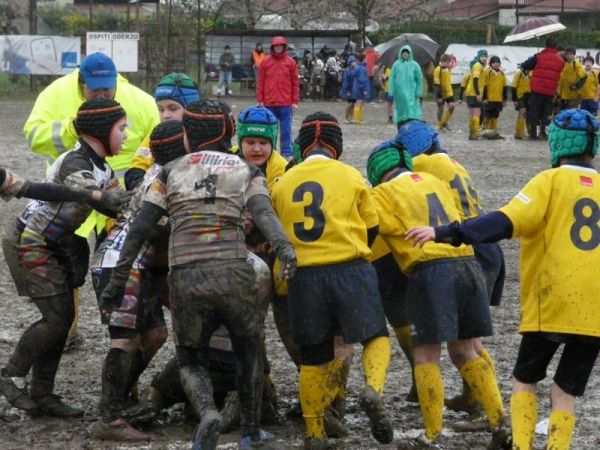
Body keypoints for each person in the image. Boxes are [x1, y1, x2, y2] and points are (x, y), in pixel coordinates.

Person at [99, 99, 296, 450]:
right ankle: (250, 430)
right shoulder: (244, 169)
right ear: (228, 132)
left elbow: (140, 228)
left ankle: (207, 412)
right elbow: (264, 213)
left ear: (187, 135)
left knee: (191, 356)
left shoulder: (169, 171)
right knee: (249, 349)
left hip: (187, 276)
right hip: (235, 273)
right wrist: (284, 249)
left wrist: (118, 279)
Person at [406, 108, 600, 450]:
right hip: (595, 310)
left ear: (557, 143)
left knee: (525, 380)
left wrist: (445, 232)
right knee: (565, 390)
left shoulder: (550, 182)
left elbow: (502, 223)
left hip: (553, 301)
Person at [366, 140, 510, 450]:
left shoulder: (381, 194)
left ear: (375, 173)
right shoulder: (435, 181)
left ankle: (432, 435)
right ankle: (500, 422)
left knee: (426, 355)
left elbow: (374, 235)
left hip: (430, 273)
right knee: (465, 351)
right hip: (469, 264)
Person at [271, 112, 393, 449]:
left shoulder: (284, 181)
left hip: (304, 274)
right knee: (375, 336)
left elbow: (275, 231)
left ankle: (314, 434)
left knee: (313, 358)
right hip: (349, 267)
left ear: (303, 145)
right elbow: (372, 226)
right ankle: (373, 389)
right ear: (336, 146)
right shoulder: (352, 176)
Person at [0, 99, 129, 417]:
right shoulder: (75, 162)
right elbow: (94, 196)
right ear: (101, 131)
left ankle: (43, 394)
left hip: (52, 242)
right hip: (30, 240)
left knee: (63, 317)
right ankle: (9, 376)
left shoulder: (104, 167)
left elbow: (116, 203)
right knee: (57, 317)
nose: (127, 135)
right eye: (122, 129)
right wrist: (108, 199)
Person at [22, 52, 159, 346]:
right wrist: (73, 129)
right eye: (93, 89)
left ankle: (122, 336)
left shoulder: (142, 102)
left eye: (107, 89)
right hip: (71, 202)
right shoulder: (55, 94)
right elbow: (32, 135)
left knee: (119, 265)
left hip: (119, 204)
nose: (100, 94)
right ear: (80, 82)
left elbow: (156, 149)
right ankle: (66, 333)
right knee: (69, 266)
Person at [396, 119, 507, 427]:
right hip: (484, 243)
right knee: (470, 339)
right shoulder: (451, 161)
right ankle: (476, 399)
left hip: (461, 243)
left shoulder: (420, 164)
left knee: (465, 343)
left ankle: (484, 407)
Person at [91, 120, 188, 441]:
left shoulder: (160, 173)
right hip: (121, 264)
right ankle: (109, 417)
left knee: (157, 334)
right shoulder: (169, 178)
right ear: (183, 147)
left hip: (135, 265)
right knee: (125, 340)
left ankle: (115, 399)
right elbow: (153, 233)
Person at [125, 72, 200, 190]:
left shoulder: (204, 136)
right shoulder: (156, 137)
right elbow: (135, 172)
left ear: (191, 108)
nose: (165, 115)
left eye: (173, 108)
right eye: (160, 109)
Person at [257, 36, 299, 158]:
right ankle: (271, 151)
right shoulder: (265, 62)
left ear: (284, 47)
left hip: (286, 103)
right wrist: (260, 100)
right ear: (273, 47)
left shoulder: (291, 62)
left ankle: (286, 152)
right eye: (276, 46)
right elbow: (261, 82)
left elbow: (295, 83)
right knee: (270, 130)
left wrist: (295, 101)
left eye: (280, 45)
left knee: (286, 130)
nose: (278, 48)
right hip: (269, 103)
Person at [521, 38, 564, 140]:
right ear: (555, 47)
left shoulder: (539, 56)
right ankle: (546, 134)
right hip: (550, 92)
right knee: (547, 114)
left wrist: (535, 58)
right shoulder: (561, 61)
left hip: (537, 90)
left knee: (534, 113)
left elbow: (526, 65)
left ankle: (534, 135)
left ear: (545, 45)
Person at [389, 45, 423, 128]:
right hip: (399, 92)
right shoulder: (396, 65)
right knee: (401, 110)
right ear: (400, 53)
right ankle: (400, 128)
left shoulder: (415, 65)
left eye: (407, 53)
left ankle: (410, 128)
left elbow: (419, 79)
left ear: (409, 54)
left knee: (411, 110)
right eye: (403, 52)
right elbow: (392, 78)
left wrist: (418, 91)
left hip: (412, 92)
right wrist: (391, 91)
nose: (405, 54)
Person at [481, 55, 508, 139]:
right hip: (489, 99)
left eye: (498, 62)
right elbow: (484, 86)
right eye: (494, 62)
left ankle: (493, 132)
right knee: (487, 115)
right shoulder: (487, 72)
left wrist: (504, 99)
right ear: (491, 63)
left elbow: (504, 88)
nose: (496, 64)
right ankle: (484, 131)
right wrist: (484, 98)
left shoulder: (502, 74)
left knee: (495, 116)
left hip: (498, 99)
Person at [465, 49, 488, 140]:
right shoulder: (478, 66)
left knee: (472, 114)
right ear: (479, 57)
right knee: (477, 113)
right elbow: (475, 80)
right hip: (473, 93)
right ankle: (475, 133)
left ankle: (472, 134)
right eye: (482, 56)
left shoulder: (480, 66)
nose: (484, 58)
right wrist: (478, 94)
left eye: (486, 57)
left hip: (470, 93)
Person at [558, 46, 587, 111]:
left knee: (570, 114)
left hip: (574, 95)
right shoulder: (566, 64)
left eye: (571, 54)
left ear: (574, 55)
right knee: (564, 113)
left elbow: (584, 77)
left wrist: (576, 86)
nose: (569, 56)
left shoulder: (576, 64)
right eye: (567, 54)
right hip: (564, 95)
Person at [433, 54, 455, 131]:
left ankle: (445, 122)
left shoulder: (449, 69)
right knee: (440, 108)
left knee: (452, 106)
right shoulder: (437, 70)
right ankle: (440, 125)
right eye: (447, 62)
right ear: (442, 62)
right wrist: (439, 97)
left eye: (449, 62)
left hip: (449, 92)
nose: (449, 64)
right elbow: (436, 84)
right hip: (440, 93)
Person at [512, 65, 531, 140]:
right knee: (522, 112)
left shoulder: (531, 75)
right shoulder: (518, 74)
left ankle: (529, 132)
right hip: (520, 96)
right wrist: (515, 100)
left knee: (529, 114)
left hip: (529, 96)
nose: (528, 70)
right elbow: (514, 87)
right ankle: (519, 133)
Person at [350, 54, 371, 124]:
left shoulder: (357, 67)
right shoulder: (362, 68)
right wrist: (364, 89)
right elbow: (362, 80)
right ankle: (357, 119)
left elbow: (352, 75)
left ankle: (358, 118)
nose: (367, 60)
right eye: (366, 58)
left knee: (358, 103)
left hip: (356, 88)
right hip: (360, 89)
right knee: (359, 103)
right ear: (363, 59)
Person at [340, 55, 357, 122]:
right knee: (350, 104)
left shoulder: (355, 69)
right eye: (353, 62)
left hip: (354, 89)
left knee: (353, 104)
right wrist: (347, 90)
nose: (355, 63)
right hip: (349, 89)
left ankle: (351, 117)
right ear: (350, 62)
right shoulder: (347, 70)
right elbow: (346, 81)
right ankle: (347, 117)